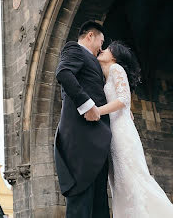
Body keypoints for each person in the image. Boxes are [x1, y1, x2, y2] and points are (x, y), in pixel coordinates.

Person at [96, 40, 173, 217]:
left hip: (121, 133)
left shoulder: (117, 69)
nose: (102, 50)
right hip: (115, 131)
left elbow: (124, 100)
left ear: (115, 56)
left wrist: (97, 111)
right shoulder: (107, 75)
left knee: (131, 178)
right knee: (120, 182)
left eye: (107, 49)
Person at [54, 21, 111, 218]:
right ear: (90, 36)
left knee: (99, 204)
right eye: (101, 42)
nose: (101, 48)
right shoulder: (74, 49)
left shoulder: (93, 60)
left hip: (96, 140)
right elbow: (63, 72)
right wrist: (87, 106)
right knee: (81, 202)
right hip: (81, 138)